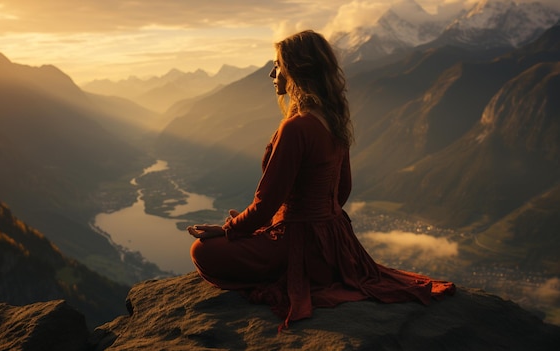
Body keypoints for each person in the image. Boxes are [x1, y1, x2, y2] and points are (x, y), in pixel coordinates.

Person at [187, 30, 455, 329]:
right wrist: (317, 223)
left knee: (202, 251)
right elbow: (342, 191)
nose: (271, 73)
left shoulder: (296, 128)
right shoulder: (334, 120)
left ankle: (285, 271)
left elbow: (265, 204)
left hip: (298, 245)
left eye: (277, 65)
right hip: (336, 245)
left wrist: (228, 230)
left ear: (296, 71)